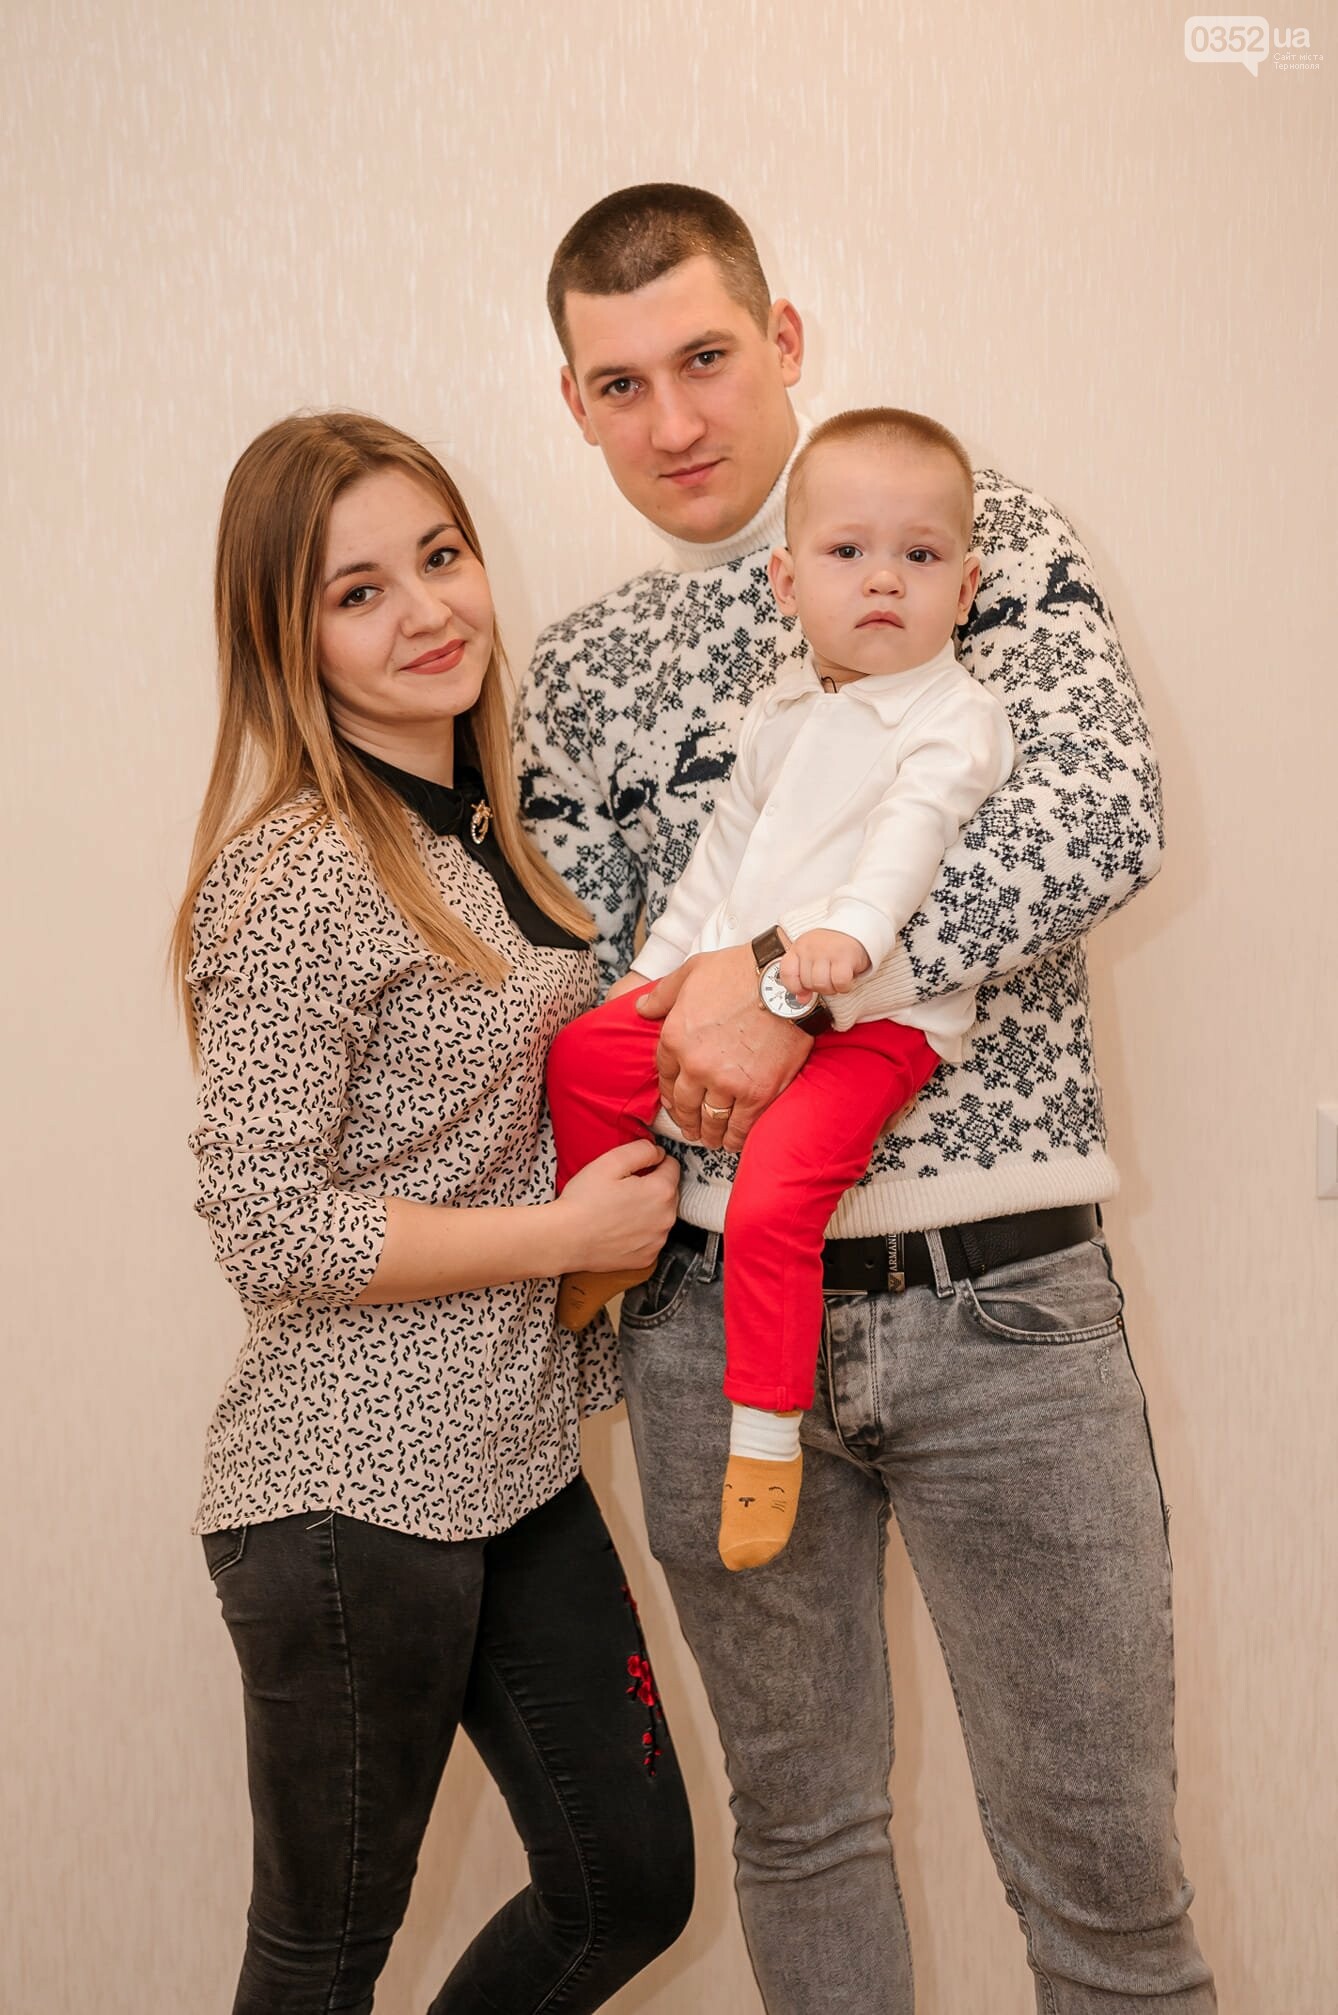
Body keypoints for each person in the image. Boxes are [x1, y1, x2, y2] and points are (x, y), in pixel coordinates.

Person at [516, 185, 1215, 2013]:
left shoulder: (976, 536)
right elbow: (590, 978)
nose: (674, 419)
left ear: (782, 340)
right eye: (619, 384)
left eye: (704, 357)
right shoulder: (579, 667)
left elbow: (1091, 826)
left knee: (1102, 1875)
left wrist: (782, 992)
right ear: (573, 403)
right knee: (802, 1832)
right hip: (702, 1322)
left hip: (999, 1301)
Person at [173, 410, 692, 2015]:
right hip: (349, 1488)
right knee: (320, 1955)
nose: (424, 611)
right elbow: (268, 1226)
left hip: (511, 1457)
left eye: (440, 556)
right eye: (358, 592)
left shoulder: (483, 832)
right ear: (289, 640)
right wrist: (562, 1238)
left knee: (627, 1885)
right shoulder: (301, 873)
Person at [545, 408, 1013, 1573]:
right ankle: (608, 1239)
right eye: (849, 552)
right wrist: (651, 979)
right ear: (788, 582)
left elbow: (911, 837)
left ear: (965, 587)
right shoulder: (783, 712)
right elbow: (721, 866)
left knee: (772, 1203)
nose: (885, 579)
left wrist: (842, 942)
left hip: (878, 1021)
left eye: (921, 555)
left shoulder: (955, 714)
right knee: (584, 1054)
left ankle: (762, 1443)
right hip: (743, 977)